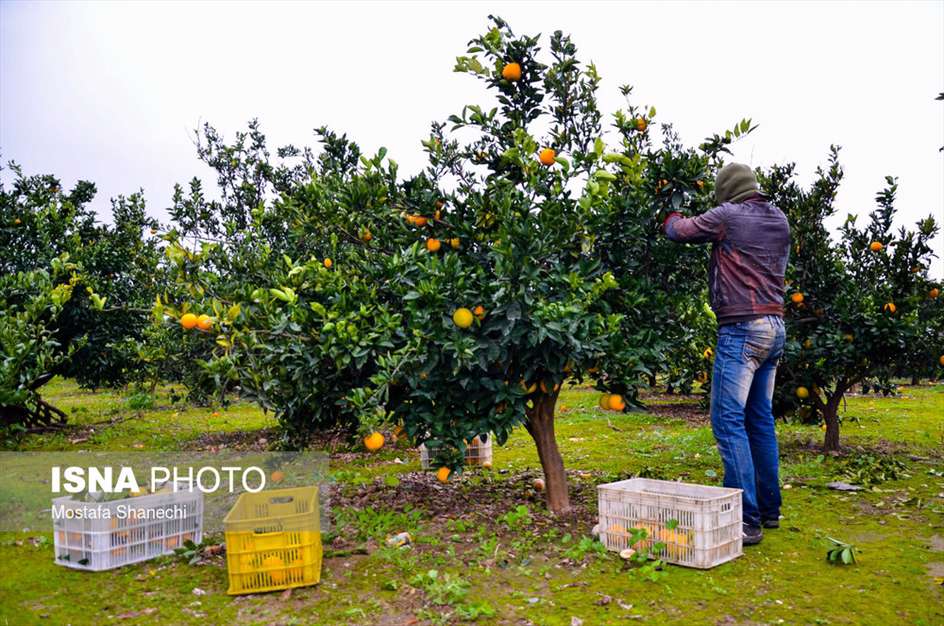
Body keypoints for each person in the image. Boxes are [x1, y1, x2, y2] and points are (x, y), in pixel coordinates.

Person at [662, 163, 790, 545]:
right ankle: (769, 510)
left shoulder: (729, 216)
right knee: (759, 420)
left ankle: (744, 518)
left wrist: (671, 206)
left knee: (727, 420)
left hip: (742, 331)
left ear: (727, 191)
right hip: (775, 328)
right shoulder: (779, 218)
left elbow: (678, 231)